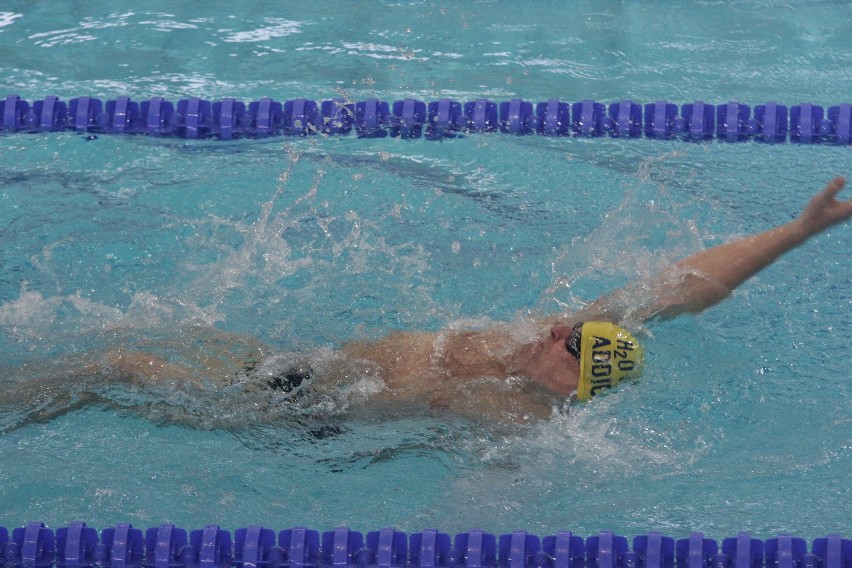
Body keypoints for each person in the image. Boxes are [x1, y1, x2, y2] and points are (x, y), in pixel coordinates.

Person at [4, 177, 851, 429]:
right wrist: (798, 231)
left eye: (571, 352)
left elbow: (485, 509)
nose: (560, 333)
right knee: (138, 334)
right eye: (572, 336)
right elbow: (681, 288)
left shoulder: (517, 414)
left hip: (298, 421)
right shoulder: (545, 335)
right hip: (302, 368)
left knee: (112, 364)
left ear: (576, 381)